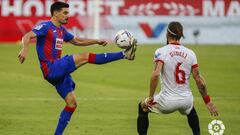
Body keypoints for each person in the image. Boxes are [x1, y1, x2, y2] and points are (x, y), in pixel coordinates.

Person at [18, 2, 137, 135]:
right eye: (65, 13)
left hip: (58, 71)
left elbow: (77, 41)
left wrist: (96, 41)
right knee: (85, 57)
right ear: (56, 13)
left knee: (72, 103)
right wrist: (25, 49)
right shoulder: (46, 26)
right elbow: (27, 36)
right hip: (51, 67)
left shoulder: (61, 30)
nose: (68, 16)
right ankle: (124, 54)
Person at [137, 21, 218, 135]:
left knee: (142, 107)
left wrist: (150, 97)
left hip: (167, 101)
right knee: (191, 111)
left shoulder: (161, 51)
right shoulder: (190, 53)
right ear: (181, 35)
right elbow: (199, 81)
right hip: (186, 100)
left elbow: (155, 75)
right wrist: (207, 101)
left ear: (167, 34)